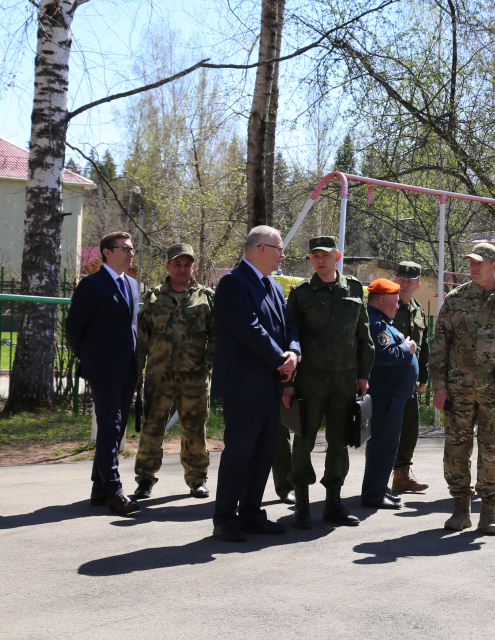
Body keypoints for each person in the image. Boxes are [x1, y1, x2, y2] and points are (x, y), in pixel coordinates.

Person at [431, 242, 495, 536]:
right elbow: (439, 347)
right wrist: (439, 386)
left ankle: (487, 512)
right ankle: (460, 510)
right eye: (471, 262)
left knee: (492, 452)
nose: (474, 266)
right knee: (456, 451)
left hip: (494, 393)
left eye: (480, 262)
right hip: (459, 391)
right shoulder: (455, 300)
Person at [276, 236, 373, 529]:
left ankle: (333, 504)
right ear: (310, 259)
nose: (320, 260)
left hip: (345, 380)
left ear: (337, 256)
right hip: (310, 380)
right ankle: (302, 506)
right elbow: (289, 338)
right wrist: (288, 382)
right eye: (315, 256)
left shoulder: (354, 289)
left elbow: (363, 336)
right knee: (303, 440)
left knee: (339, 441)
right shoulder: (301, 294)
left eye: (325, 255)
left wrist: (364, 375)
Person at [210, 226, 300, 542]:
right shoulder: (233, 283)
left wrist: (294, 352)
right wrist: (281, 359)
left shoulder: (273, 287)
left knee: (263, 453)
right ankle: (224, 518)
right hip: (244, 386)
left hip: (270, 384)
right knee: (239, 453)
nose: (283, 254)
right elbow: (249, 329)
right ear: (261, 249)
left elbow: (289, 325)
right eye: (279, 248)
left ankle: (250, 513)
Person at [65, 231, 142, 516]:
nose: (130, 252)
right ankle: (114, 492)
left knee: (117, 429)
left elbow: (131, 328)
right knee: (110, 427)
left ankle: (99, 488)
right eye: (124, 248)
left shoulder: (132, 284)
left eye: (132, 248)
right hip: (103, 367)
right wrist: (86, 355)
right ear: (107, 253)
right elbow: (74, 327)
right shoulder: (92, 284)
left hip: (127, 368)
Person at [132, 243, 215, 500]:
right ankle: (145, 479)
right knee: (152, 427)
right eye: (177, 263)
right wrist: (137, 370)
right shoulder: (154, 297)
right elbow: (142, 338)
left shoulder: (206, 297)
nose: (182, 268)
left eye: (187, 264)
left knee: (194, 427)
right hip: (159, 373)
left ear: (193, 267)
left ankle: (197, 479)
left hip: (194, 374)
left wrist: (208, 365)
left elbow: (217, 336)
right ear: (167, 266)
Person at [361, 278, 419, 508]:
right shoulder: (375, 323)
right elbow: (383, 356)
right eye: (395, 302)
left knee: (386, 446)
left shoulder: (383, 321)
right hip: (386, 395)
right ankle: (373, 495)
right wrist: (407, 348)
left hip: (393, 395)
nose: (398, 306)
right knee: (383, 447)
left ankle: (379, 489)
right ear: (382, 300)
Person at [391, 261, 430, 494]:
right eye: (401, 279)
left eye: (409, 281)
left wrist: (424, 377)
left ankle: (402, 476)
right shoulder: (384, 304)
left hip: (410, 382)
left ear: (418, 284)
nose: (404, 284)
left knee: (409, 430)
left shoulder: (418, 309)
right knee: (386, 431)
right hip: (387, 381)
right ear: (394, 279)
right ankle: (378, 479)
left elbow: (423, 346)